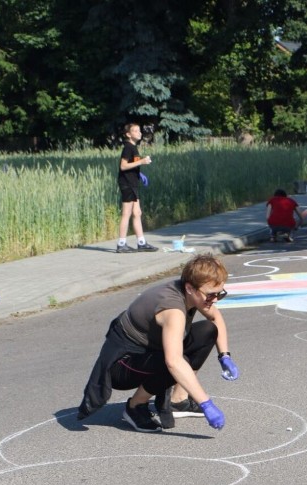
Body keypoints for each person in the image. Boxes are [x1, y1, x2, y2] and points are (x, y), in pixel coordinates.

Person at [76, 253, 239, 433]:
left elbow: (215, 318)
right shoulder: (173, 309)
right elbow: (174, 362)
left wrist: (224, 356)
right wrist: (206, 403)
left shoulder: (193, 293)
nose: (215, 300)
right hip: (121, 366)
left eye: (219, 294)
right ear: (190, 288)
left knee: (207, 330)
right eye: (210, 295)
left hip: (148, 353)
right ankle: (135, 406)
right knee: (175, 361)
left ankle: (179, 400)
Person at [116, 123, 158, 253]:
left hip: (133, 183)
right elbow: (123, 166)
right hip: (127, 184)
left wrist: (139, 173)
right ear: (128, 134)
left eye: (139, 130)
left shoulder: (134, 147)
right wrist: (141, 162)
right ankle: (121, 244)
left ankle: (141, 242)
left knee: (137, 213)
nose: (139, 133)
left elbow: (130, 165)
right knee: (126, 213)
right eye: (135, 131)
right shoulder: (128, 147)